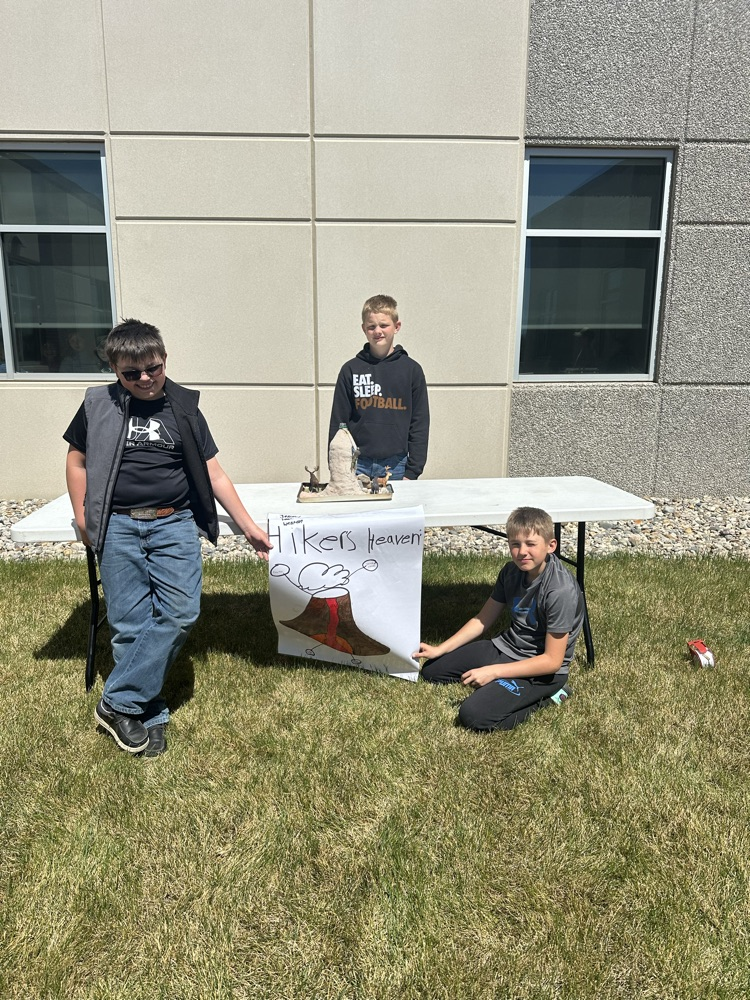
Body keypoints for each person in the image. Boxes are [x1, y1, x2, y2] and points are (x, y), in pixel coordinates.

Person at [63, 318, 271, 758]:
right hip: (118, 525)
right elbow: (77, 460)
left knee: (180, 611)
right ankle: (148, 712)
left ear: (164, 359)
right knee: (129, 623)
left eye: (152, 368)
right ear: (115, 370)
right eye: (131, 373)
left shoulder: (184, 408)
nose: (144, 379)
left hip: (172, 523)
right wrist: (82, 516)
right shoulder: (98, 405)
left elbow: (214, 472)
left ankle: (116, 701)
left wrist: (248, 525)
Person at [413, 506, 583, 732]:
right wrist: (439, 649)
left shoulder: (559, 590)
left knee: (473, 716)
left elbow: (552, 660)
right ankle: (499, 681)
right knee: (432, 671)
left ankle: (552, 696)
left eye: (531, 544)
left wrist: (494, 671)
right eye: (515, 544)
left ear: (551, 546)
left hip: (542, 670)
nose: (522, 552)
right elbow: (482, 620)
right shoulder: (510, 572)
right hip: (506, 647)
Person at [328, 294, 429, 481]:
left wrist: (412, 471)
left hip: (397, 466)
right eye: (371, 326)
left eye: (384, 325)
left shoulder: (411, 370)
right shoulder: (350, 370)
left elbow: (419, 423)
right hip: (356, 464)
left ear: (397, 326)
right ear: (364, 329)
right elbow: (338, 422)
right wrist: (337, 465)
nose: (378, 331)